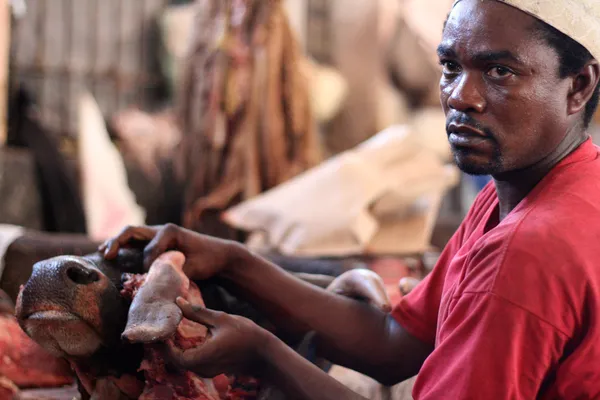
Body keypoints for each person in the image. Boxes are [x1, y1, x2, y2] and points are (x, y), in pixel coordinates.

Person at [100, 0, 600, 398]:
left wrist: (262, 356)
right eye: (450, 65)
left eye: (500, 72)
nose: (460, 97)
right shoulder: (533, 192)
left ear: (578, 86)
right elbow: (396, 343)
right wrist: (232, 261)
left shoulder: (532, 246)